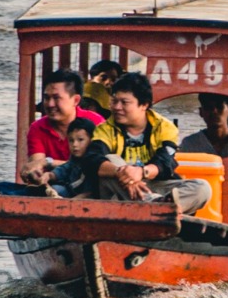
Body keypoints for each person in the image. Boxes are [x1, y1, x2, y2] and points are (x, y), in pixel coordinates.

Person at [54, 72, 189, 204]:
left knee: (201, 188)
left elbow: (166, 161)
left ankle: (158, 202)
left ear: (144, 105)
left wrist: (141, 172)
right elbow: (92, 158)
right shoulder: (105, 129)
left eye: (124, 102)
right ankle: (152, 203)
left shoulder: (164, 127)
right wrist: (121, 172)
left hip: (153, 183)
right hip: (118, 188)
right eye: (114, 101)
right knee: (111, 160)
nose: (117, 107)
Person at [20, 69, 103, 186]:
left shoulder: (96, 123)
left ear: (76, 100)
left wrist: (48, 162)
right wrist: (33, 173)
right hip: (52, 187)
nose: (50, 104)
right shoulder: (37, 128)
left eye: (56, 98)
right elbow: (37, 164)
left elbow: (98, 166)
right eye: (46, 98)